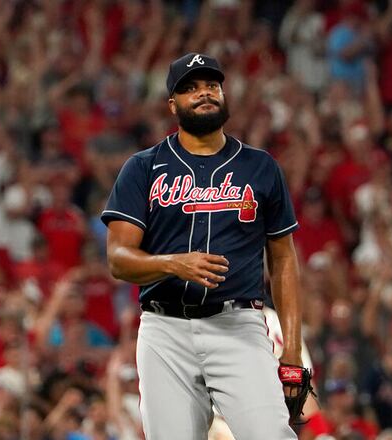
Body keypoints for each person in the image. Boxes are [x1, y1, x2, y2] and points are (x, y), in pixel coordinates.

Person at [102, 52, 302, 439]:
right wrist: (173, 264)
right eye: (190, 88)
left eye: (211, 85)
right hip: (165, 329)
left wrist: (292, 350)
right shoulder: (143, 166)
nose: (204, 93)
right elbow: (117, 258)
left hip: (238, 324)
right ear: (172, 104)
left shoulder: (260, 167)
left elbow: (283, 260)